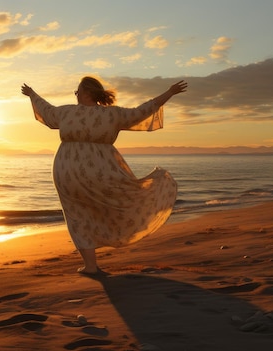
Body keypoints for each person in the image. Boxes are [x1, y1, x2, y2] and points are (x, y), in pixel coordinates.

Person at [21, 76, 187, 275]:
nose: (76, 95)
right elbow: (143, 110)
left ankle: (91, 266)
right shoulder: (112, 115)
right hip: (102, 171)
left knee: (77, 216)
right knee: (114, 204)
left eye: (78, 91)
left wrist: (32, 94)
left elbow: (46, 109)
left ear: (88, 93)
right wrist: (169, 93)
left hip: (68, 173)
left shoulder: (66, 112)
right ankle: (103, 249)